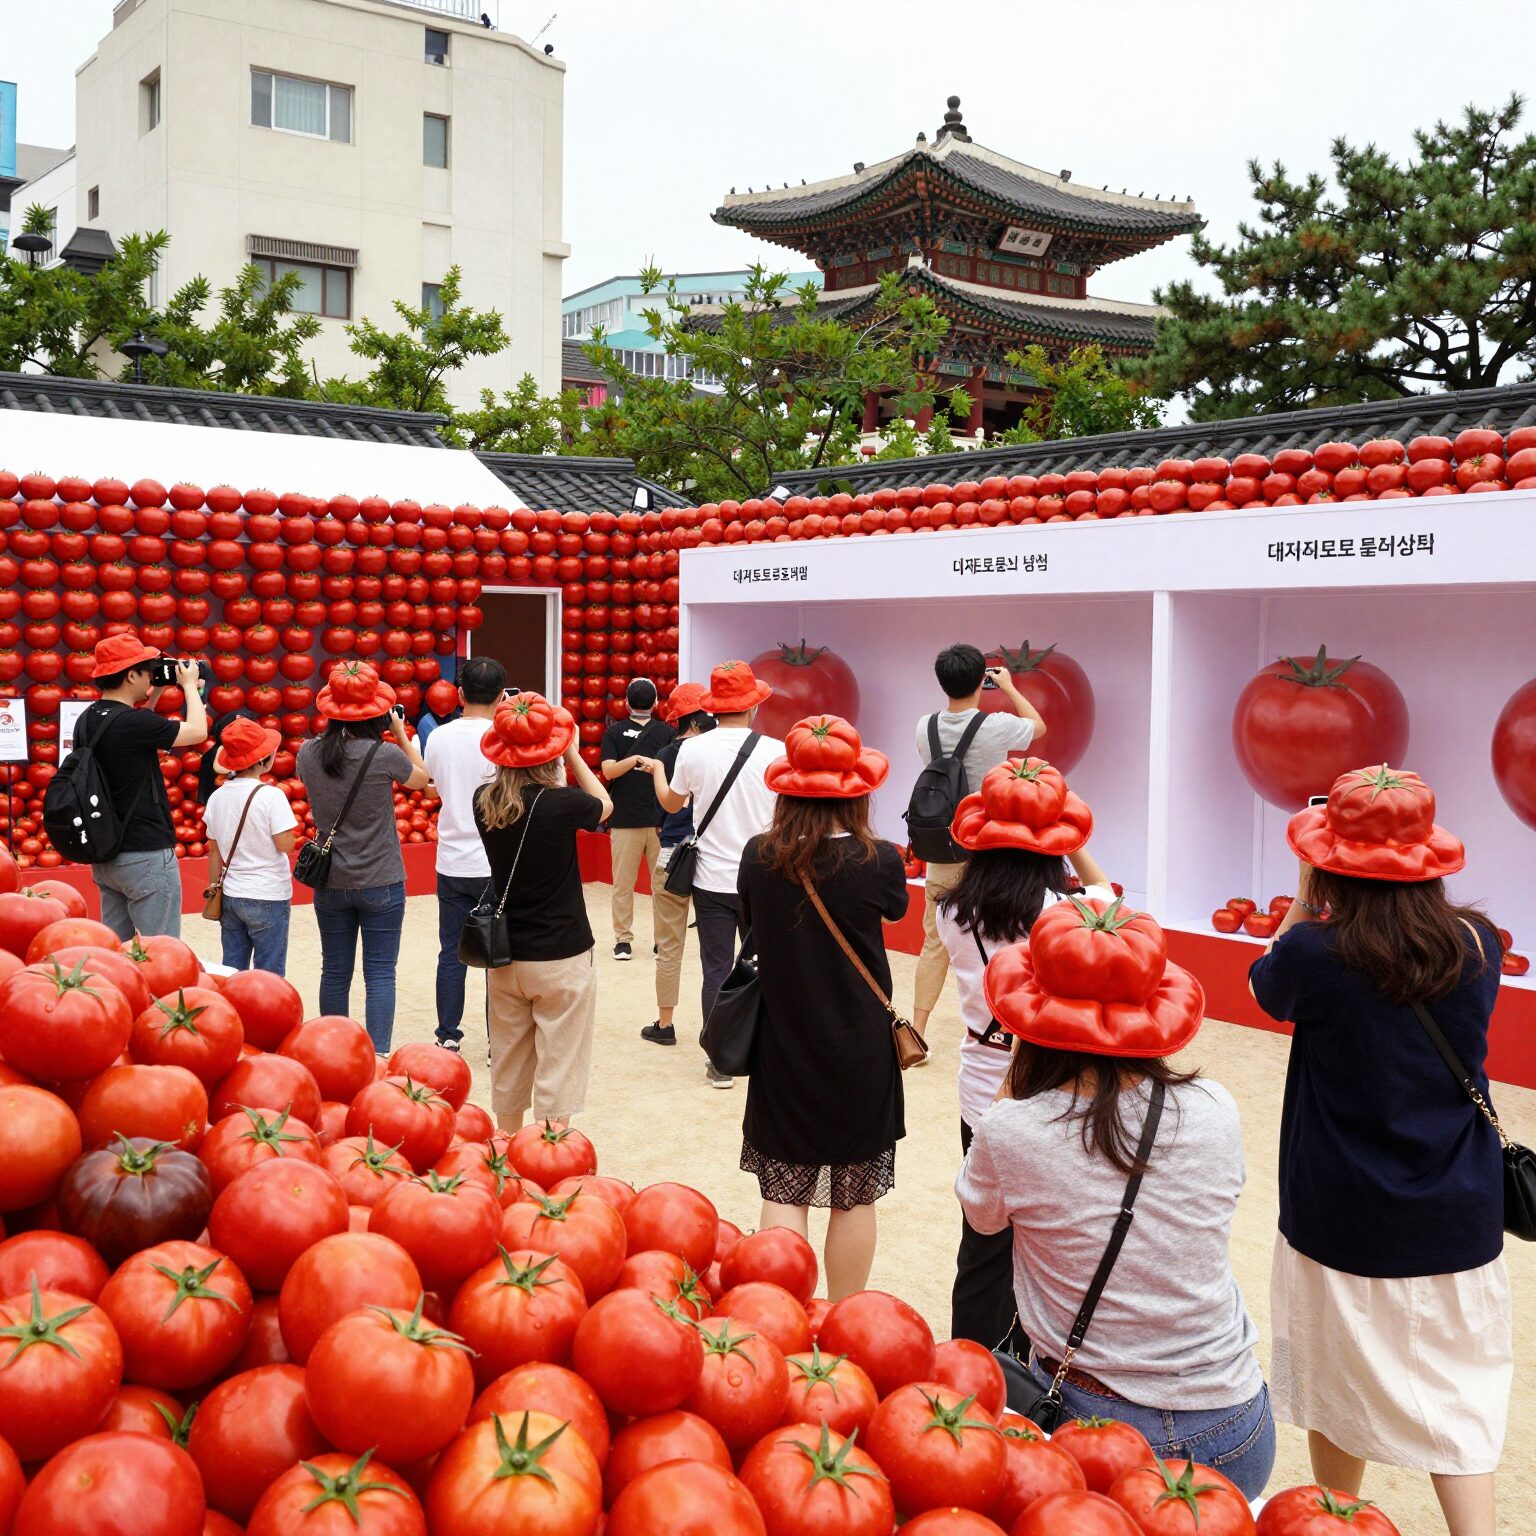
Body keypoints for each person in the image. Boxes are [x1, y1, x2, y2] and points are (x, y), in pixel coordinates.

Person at [1249, 767, 1510, 1536]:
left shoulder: (1316, 957)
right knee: (1459, 1401)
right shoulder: (1477, 943)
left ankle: (1342, 1521)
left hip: (1340, 1209)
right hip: (1459, 1204)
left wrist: (1303, 894)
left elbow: (1268, 988)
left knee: (1335, 1382)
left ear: (1332, 859)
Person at [957, 899, 1275, 1499]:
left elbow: (982, 1216)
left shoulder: (1014, 1131)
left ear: (1032, 1018)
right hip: (1235, 1420)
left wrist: (1005, 1096)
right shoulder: (1216, 1108)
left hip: (1095, 1425)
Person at [936, 756, 1112, 1349]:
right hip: (1048, 1081)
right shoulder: (1063, 915)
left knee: (981, 1241)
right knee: (1048, 1238)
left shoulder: (949, 911)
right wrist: (1075, 833)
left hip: (980, 1082)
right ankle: (1029, 1357)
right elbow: (1113, 908)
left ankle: (973, 1362)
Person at [739, 716, 909, 1300]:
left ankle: (782, 1310)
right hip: (860, 1046)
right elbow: (894, 911)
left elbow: (750, 926)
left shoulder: (759, 856)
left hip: (781, 1040)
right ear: (858, 792)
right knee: (854, 1191)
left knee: (783, 1187)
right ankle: (844, 1316)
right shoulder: (879, 859)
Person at [474, 691, 612, 1131]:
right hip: (562, 951)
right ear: (548, 752)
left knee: (510, 1055)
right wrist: (571, 751)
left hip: (505, 952)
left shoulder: (485, 801)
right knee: (561, 1058)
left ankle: (507, 1143)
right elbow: (604, 806)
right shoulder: (563, 804)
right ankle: (551, 1151)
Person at [653, 659, 783, 1089]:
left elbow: (673, 806)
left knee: (716, 968)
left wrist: (657, 772)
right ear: (753, 707)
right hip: (763, 876)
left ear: (713, 708)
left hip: (710, 877)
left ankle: (721, 1061)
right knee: (767, 965)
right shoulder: (774, 751)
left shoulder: (692, 749)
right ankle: (767, 1049)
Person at [912, 643, 1046, 1044]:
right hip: (988, 848)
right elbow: (1037, 727)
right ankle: (1006, 1028)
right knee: (1003, 936)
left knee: (934, 942)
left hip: (941, 848)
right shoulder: (995, 725)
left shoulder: (925, 726)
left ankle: (917, 1032)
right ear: (979, 681)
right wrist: (1008, 687)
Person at [296, 661, 429, 1052]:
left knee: (335, 971)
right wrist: (402, 734)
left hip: (331, 878)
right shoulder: (383, 755)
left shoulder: (307, 753)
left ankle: (334, 1052)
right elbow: (424, 781)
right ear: (377, 713)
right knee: (381, 974)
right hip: (381, 878)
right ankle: (379, 1054)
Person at [80, 633, 209, 941]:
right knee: (160, 951)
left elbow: (134, 733)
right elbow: (198, 732)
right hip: (145, 851)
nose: (151, 674)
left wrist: (157, 693)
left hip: (107, 853)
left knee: (118, 952)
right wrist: (190, 685)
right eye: (146, 669)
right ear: (131, 675)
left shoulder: (89, 718)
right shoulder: (132, 724)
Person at [423, 656, 507, 1052]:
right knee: (498, 954)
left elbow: (430, 786)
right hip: (497, 862)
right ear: (503, 696)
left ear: (459, 694)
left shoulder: (438, 736)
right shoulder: (506, 736)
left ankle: (447, 1035)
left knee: (450, 952)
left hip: (452, 859)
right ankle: (498, 1041)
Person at [642, 683, 714, 1047]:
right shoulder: (716, 753)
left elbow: (665, 804)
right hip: (712, 858)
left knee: (669, 945)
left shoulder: (667, 754)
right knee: (715, 951)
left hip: (673, 852)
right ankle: (716, 1024)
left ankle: (665, 1023)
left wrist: (656, 768)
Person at [203, 716, 297, 973]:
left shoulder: (217, 797)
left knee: (232, 968)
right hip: (268, 893)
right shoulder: (272, 796)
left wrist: (214, 888)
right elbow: (285, 845)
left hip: (231, 892)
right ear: (263, 761)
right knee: (269, 973)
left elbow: (213, 850)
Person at [601, 678, 675, 961]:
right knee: (627, 884)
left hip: (658, 821)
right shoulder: (615, 733)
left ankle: (659, 941)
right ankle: (623, 939)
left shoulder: (666, 733)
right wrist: (635, 761)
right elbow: (609, 772)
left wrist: (651, 765)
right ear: (656, 703)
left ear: (627, 702)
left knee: (659, 886)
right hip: (628, 820)